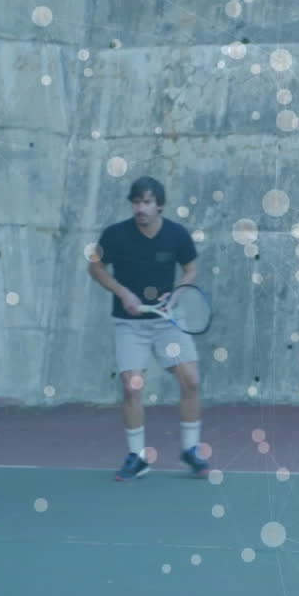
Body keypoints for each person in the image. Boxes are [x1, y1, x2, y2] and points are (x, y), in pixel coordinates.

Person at [87, 176, 209, 481]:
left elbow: (191, 268)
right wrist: (123, 293)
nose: (140, 208)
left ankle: (191, 451)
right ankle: (137, 458)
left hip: (167, 322)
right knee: (131, 387)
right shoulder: (115, 235)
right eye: (136, 202)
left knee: (191, 381)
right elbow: (95, 267)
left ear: (160, 206)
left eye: (147, 203)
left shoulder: (177, 235)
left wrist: (177, 293)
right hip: (130, 325)